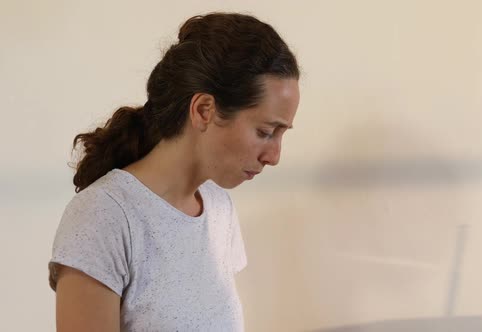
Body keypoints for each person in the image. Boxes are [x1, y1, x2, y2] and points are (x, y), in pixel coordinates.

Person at [48, 12, 300, 332]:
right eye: (266, 131)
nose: (274, 156)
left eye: (282, 134)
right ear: (203, 110)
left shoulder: (218, 208)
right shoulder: (104, 216)